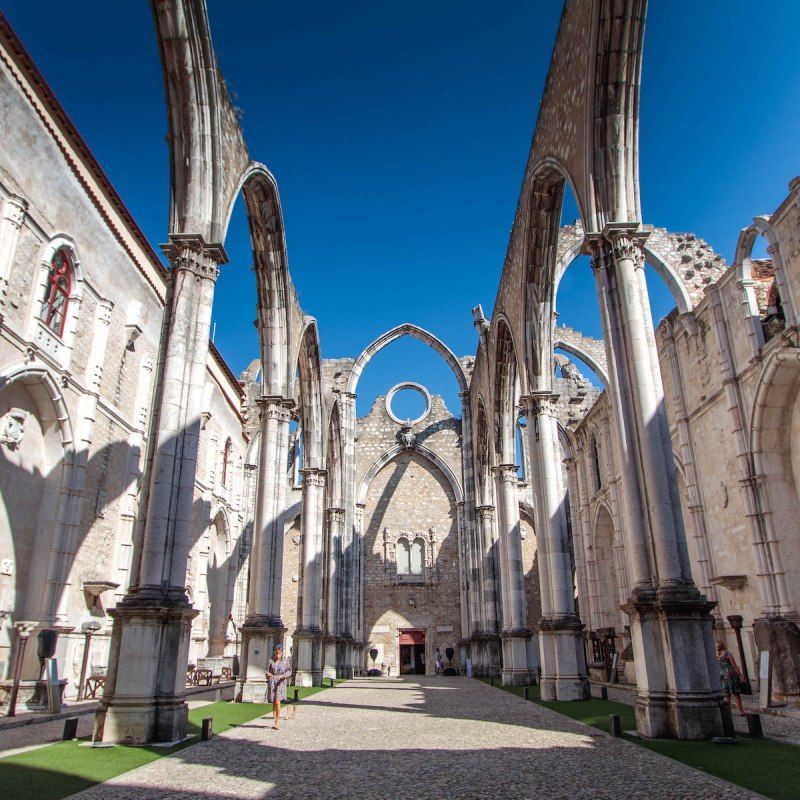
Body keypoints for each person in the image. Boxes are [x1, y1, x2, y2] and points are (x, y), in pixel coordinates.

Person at [266, 644, 291, 729]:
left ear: (282, 653)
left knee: (277, 701)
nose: (278, 655)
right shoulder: (270, 661)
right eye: (276, 653)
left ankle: (278, 721)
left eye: (279, 653)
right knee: (273, 702)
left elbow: (289, 671)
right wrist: (268, 674)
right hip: (272, 682)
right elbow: (267, 671)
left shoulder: (285, 661)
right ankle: (275, 721)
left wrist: (285, 675)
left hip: (280, 682)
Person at [716, 640, 745, 714]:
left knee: (726, 695)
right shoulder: (727, 654)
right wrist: (741, 675)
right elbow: (734, 666)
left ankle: (727, 712)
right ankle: (740, 710)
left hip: (722, 675)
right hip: (731, 674)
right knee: (736, 694)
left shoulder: (717, 655)